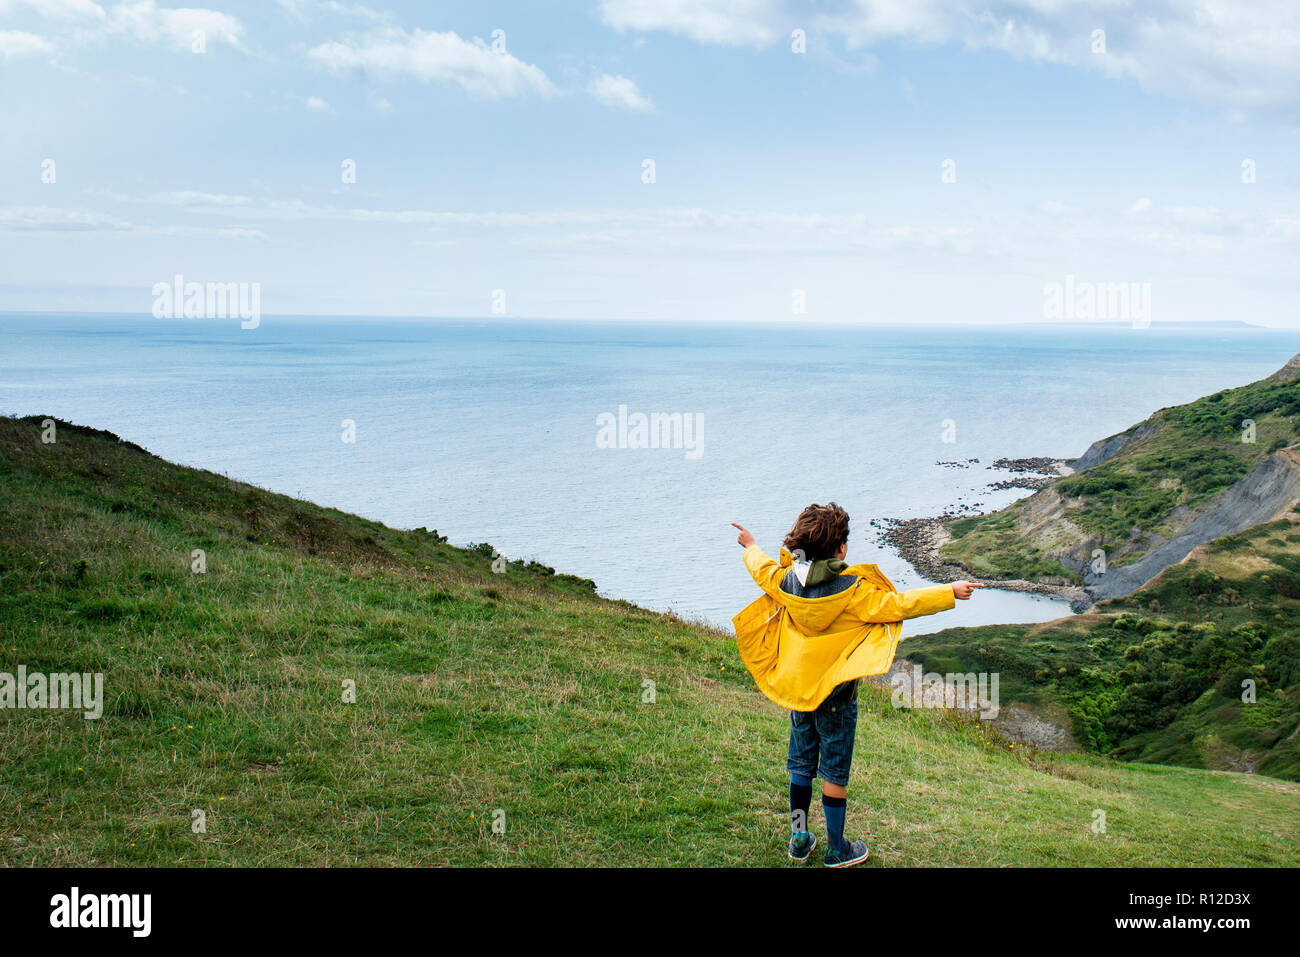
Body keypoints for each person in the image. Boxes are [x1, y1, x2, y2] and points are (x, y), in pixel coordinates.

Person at [731, 503, 983, 867]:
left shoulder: (785, 582)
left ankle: (800, 838)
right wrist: (949, 592)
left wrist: (750, 544)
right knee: (834, 772)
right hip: (838, 695)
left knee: (801, 766)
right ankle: (836, 849)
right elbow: (900, 604)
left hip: (800, 693)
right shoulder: (854, 592)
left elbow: (762, 568)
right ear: (841, 549)